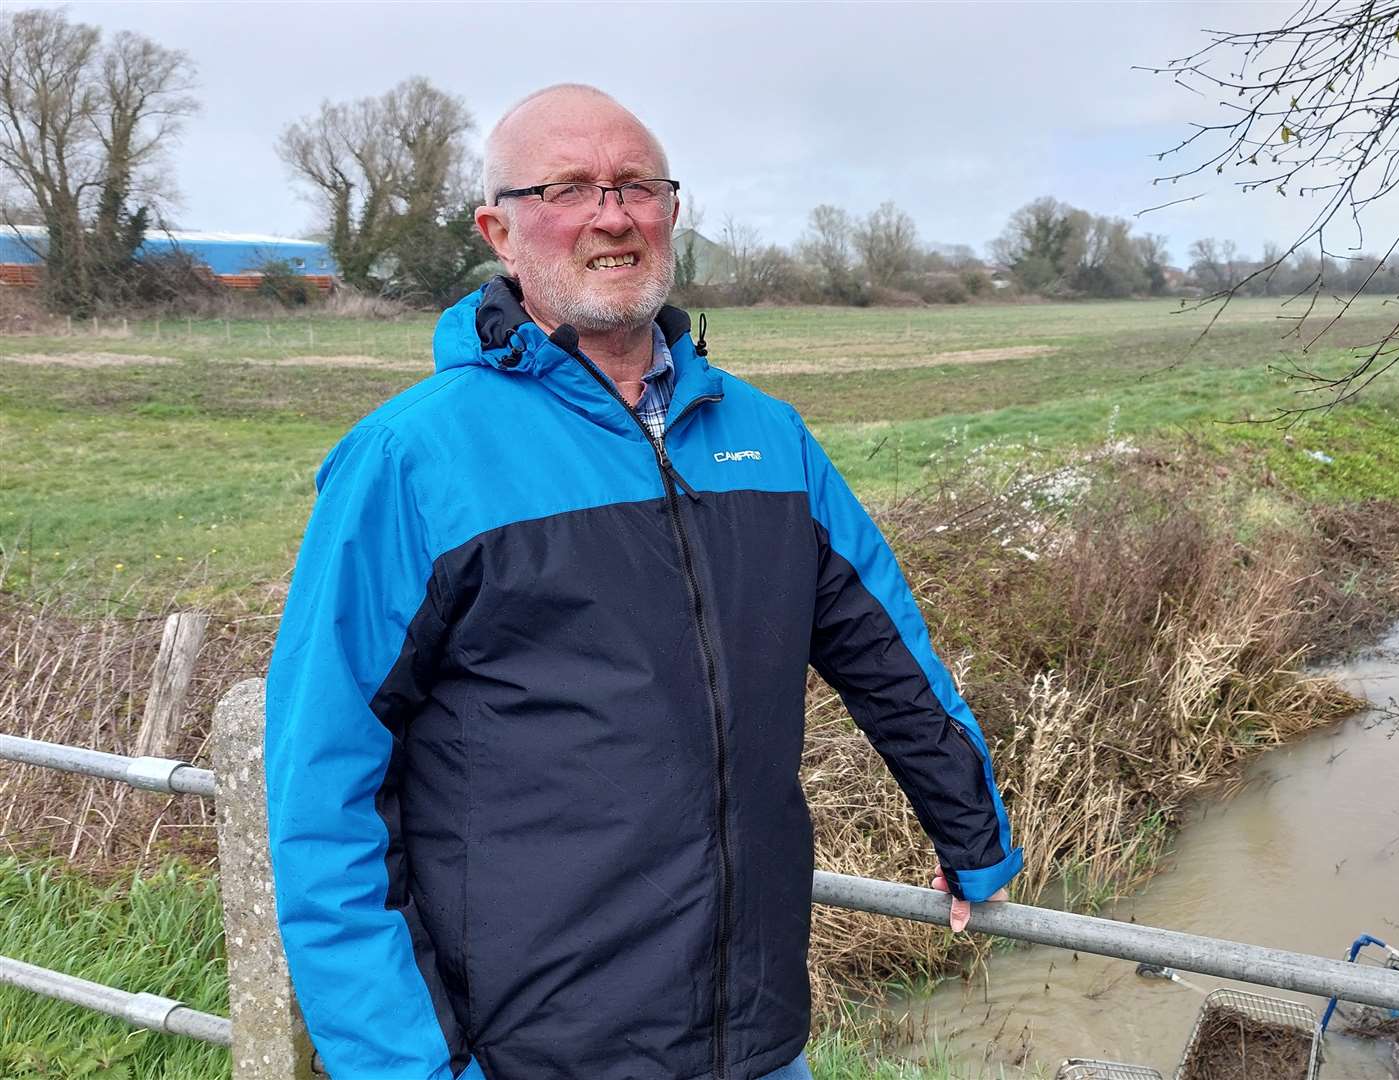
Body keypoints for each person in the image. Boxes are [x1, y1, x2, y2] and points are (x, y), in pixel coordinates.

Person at [263, 83, 1022, 1080]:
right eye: (569, 187)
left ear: (670, 210)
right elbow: (323, 785)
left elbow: (886, 650)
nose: (613, 216)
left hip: (751, 1040)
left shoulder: (765, 437)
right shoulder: (412, 460)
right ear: (501, 229)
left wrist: (973, 837)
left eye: (637, 185)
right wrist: (405, 1067)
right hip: (531, 1051)